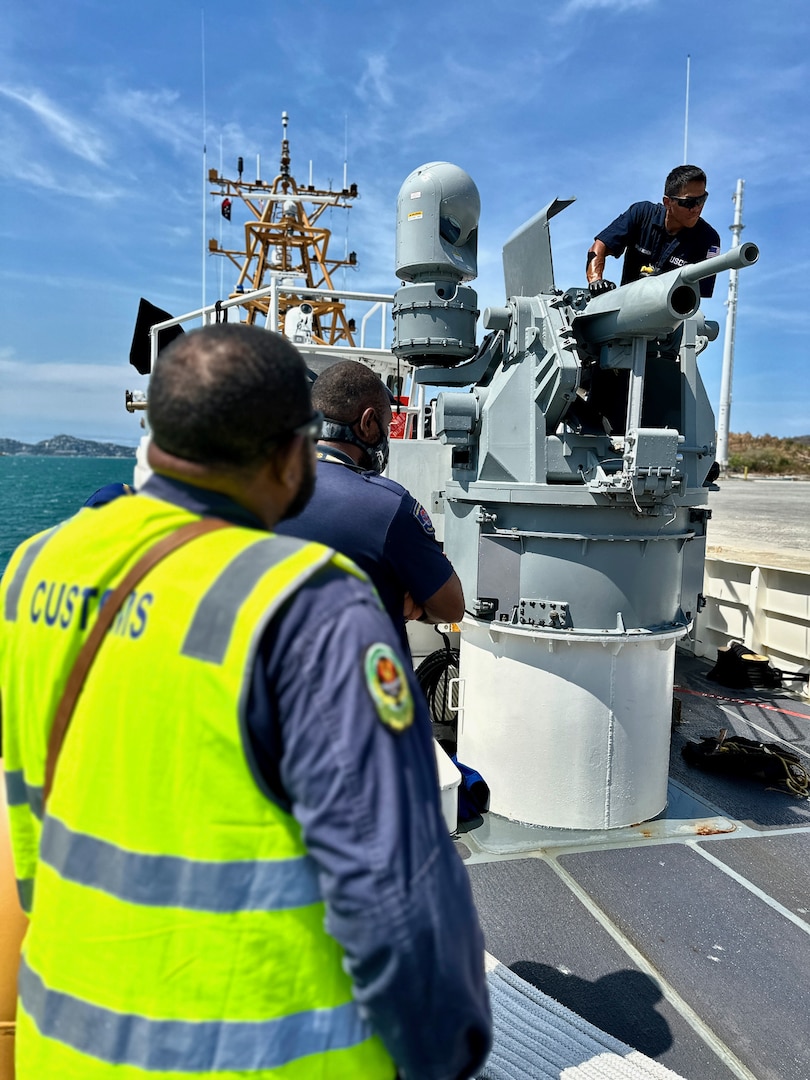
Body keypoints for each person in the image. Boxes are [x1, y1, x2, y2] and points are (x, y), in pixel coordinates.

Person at [0, 324, 491, 1079]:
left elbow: (28, 813)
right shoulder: (314, 606)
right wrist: (447, 1054)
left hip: (61, 1038)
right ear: (290, 451)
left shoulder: (35, 569)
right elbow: (395, 897)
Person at [275, 359, 465, 654]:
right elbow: (451, 607)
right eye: (386, 425)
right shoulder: (388, 506)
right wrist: (418, 609)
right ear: (367, 423)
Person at [586, 164, 722, 298]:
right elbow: (599, 247)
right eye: (689, 203)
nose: (697, 208)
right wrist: (596, 280)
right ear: (667, 202)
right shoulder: (642, 214)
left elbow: (699, 291)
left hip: (669, 316)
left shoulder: (708, 239)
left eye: (702, 199)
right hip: (626, 308)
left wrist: (663, 285)